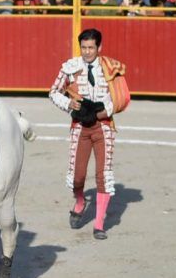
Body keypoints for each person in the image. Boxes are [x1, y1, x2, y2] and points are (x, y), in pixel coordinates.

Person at [49, 29, 127, 240]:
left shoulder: (111, 67)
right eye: (84, 47)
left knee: (103, 175)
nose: (87, 52)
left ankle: (99, 224)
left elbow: (122, 97)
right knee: (77, 176)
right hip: (80, 126)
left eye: (91, 48)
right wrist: (68, 103)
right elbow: (53, 91)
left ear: (99, 48)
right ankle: (80, 201)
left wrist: (104, 111)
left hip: (103, 127)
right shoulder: (71, 67)